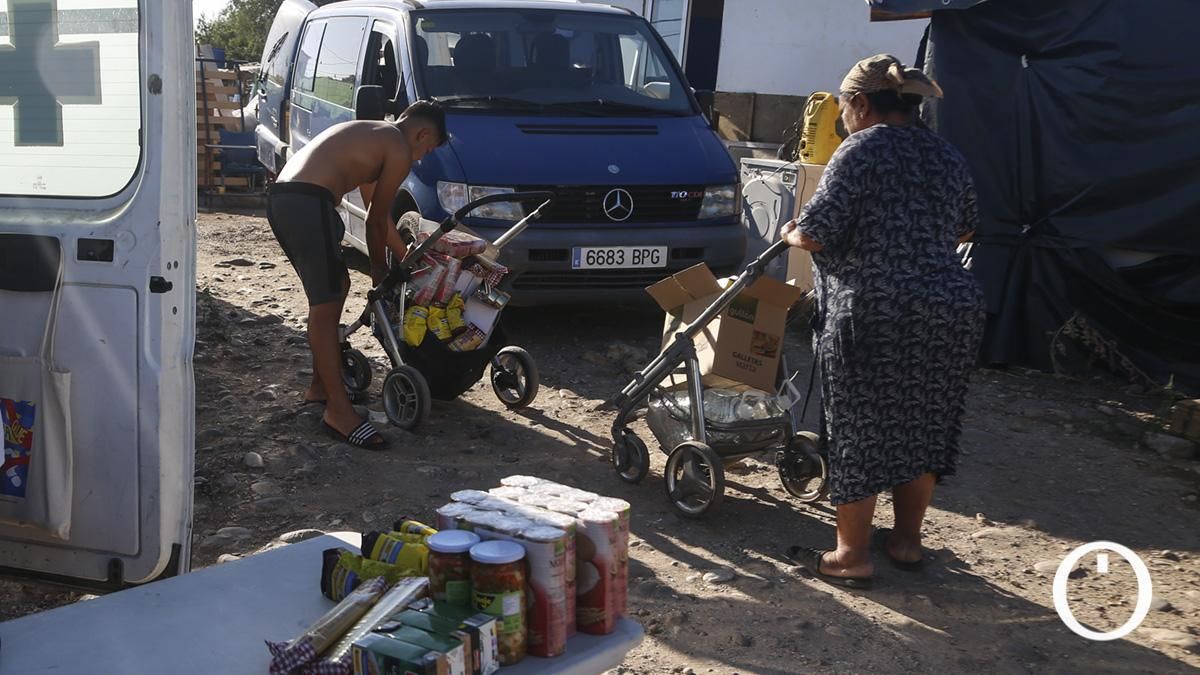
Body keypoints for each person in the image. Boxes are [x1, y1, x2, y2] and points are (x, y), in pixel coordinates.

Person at [781, 54, 985, 588]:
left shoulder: (861, 148)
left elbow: (817, 233)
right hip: (949, 310)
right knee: (924, 425)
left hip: (874, 311)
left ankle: (851, 556)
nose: (843, 119)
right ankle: (907, 542)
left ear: (862, 104)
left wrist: (791, 234)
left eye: (844, 109)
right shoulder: (946, 154)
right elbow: (966, 229)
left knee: (858, 431)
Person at [267, 101, 448, 448]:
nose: (422, 157)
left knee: (336, 286)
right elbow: (377, 220)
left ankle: (321, 386)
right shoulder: (397, 147)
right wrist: (380, 272)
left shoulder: (375, 136)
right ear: (422, 133)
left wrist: (405, 255)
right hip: (306, 201)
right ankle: (338, 411)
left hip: (289, 199)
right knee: (327, 301)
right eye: (427, 148)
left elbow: (375, 214)